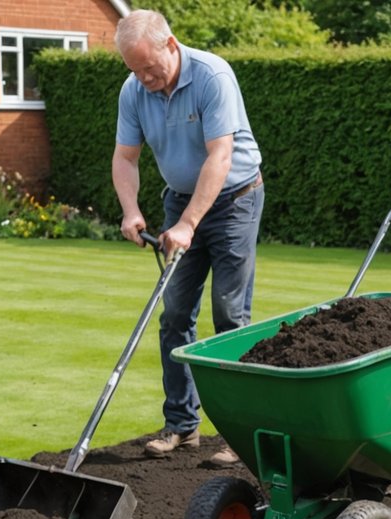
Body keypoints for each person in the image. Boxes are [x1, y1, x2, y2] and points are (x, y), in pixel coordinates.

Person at [112, 9, 264, 466]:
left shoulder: (212, 75)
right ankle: (182, 425)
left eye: (149, 66)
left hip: (235, 199)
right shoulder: (134, 90)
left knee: (230, 315)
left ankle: (241, 435)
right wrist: (132, 211)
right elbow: (125, 158)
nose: (144, 77)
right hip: (179, 202)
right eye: (134, 69)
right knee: (175, 313)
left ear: (170, 44)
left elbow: (220, 157)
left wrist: (187, 225)